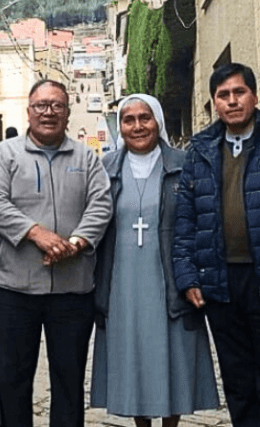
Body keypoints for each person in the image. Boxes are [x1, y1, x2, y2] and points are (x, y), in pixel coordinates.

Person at [172, 63, 260, 427]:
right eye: (223, 95)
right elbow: (185, 218)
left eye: (239, 92)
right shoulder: (200, 150)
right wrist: (188, 276)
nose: (232, 101)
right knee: (236, 376)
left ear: (254, 95)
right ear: (214, 103)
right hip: (219, 282)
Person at [0, 79, 112, 427]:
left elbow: (101, 203)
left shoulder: (87, 157)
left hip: (73, 291)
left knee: (69, 382)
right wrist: (36, 233)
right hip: (13, 289)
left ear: (68, 113)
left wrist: (77, 242)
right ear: (28, 111)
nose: (48, 112)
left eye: (57, 105)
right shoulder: (3, 155)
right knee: (12, 380)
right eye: (41, 105)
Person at [90, 94, 219, 427]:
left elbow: (202, 220)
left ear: (158, 121)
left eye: (144, 118)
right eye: (128, 119)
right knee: (132, 356)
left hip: (169, 277)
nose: (137, 126)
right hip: (122, 281)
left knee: (171, 355)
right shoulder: (105, 169)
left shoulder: (183, 163)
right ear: (120, 125)